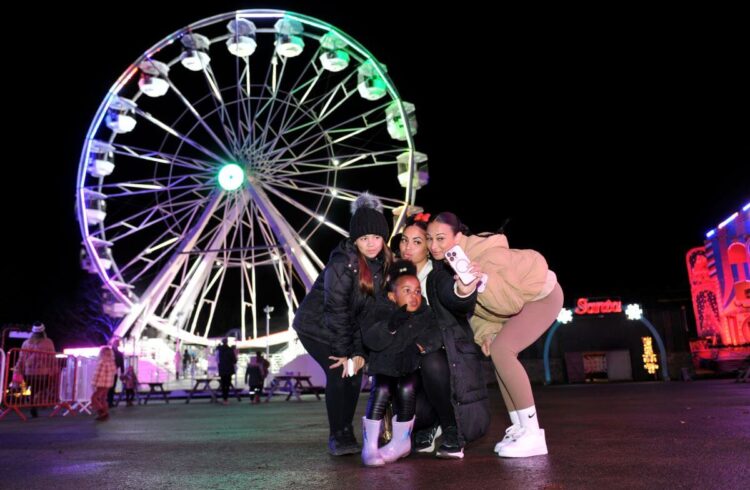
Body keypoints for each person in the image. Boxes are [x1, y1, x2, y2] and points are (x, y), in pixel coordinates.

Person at [429, 212, 563, 458]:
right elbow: (477, 311)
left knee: (504, 351)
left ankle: (533, 434)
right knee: (498, 352)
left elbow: (510, 303)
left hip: (543, 295)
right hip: (518, 305)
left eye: (440, 238)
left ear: (458, 237)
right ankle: (521, 428)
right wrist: (486, 334)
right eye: (430, 239)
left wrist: (483, 281)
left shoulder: (488, 256)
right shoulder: (453, 264)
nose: (434, 246)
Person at [292, 192, 393, 456]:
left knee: (355, 373)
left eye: (376, 237)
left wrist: (358, 352)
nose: (370, 244)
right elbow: (337, 310)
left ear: (384, 238)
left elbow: (365, 314)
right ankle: (339, 434)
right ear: (354, 239)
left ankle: (346, 429)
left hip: (345, 325)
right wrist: (343, 352)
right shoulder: (342, 263)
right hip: (315, 326)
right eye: (363, 238)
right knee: (340, 371)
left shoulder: (382, 265)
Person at [397, 213, 489, 459]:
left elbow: (454, 298)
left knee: (431, 360)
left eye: (418, 241)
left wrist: (464, 289)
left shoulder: (439, 274)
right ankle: (429, 423)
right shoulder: (393, 276)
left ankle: (450, 427)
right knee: (406, 396)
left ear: (427, 248)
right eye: (404, 240)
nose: (408, 247)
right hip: (408, 357)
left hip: (444, 355)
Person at [359, 260, 441, 466]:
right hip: (384, 366)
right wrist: (390, 326)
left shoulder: (425, 313)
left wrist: (421, 346)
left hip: (409, 366)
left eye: (417, 291)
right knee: (382, 389)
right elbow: (370, 339)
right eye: (407, 290)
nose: (414, 296)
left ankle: (401, 441)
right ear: (392, 295)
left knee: (407, 388)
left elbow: (436, 333)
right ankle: (370, 447)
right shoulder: (380, 310)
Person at [15, 322, 57, 418]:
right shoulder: (48, 342)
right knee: (41, 388)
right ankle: (34, 402)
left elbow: (21, 358)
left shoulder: (26, 343)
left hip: (29, 372)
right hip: (43, 372)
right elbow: (52, 358)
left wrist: (18, 370)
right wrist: (54, 371)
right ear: (43, 331)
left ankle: (32, 401)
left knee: (33, 389)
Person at [91, 346, 117, 421]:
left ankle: (102, 412)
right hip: (108, 384)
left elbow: (99, 374)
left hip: (101, 383)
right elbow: (114, 372)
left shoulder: (102, 362)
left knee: (94, 398)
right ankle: (104, 413)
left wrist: (94, 383)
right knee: (103, 398)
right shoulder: (112, 361)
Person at [216, 338, 237, 405]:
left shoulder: (219, 350)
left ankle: (224, 398)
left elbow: (217, 359)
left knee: (223, 384)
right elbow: (234, 360)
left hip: (222, 369)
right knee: (227, 384)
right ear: (227, 342)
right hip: (229, 369)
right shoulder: (230, 350)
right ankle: (226, 398)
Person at [107, 337, 124, 408]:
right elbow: (121, 364)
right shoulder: (119, 354)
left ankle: (109, 402)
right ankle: (110, 402)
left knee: (109, 387)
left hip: (110, 372)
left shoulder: (110, 352)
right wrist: (122, 372)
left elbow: (121, 364)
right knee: (111, 387)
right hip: (114, 371)